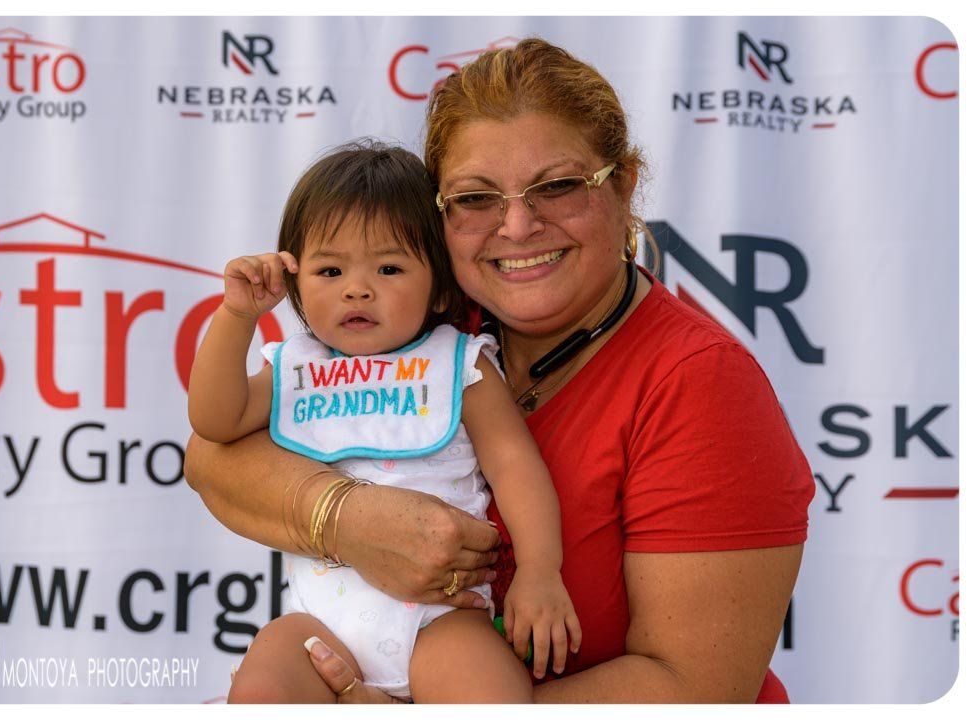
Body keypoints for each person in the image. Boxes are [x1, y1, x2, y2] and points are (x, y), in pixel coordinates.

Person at [185, 38, 815, 703]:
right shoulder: (424, 323)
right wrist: (346, 519)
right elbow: (211, 456)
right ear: (437, 216)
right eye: (475, 198)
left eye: (558, 186)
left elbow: (696, 689)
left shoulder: (699, 383)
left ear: (625, 186)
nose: (516, 226)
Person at [187, 142, 581, 703]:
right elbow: (213, 421)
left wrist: (541, 572)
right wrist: (236, 318)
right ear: (297, 285)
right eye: (330, 269)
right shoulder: (294, 368)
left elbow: (517, 468)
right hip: (319, 626)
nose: (357, 287)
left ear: (441, 286)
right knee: (261, 687)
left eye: (390, 267)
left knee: (489, 695)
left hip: (442, 621)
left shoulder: (460, 366)